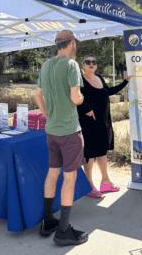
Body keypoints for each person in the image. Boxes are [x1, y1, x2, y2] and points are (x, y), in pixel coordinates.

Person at [35, 29, 89, 246]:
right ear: (72, 43)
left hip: (52, 131)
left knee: (52, 173)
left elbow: (38, 96)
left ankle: (48, 221)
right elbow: (76, 98)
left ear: (57, 44)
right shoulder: (71, 65)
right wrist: (82, 96)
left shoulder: (46, 65)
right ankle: (64, 230)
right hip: (69, 131)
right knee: (70, 178)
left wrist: (48, 114)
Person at [77, 54, 131, 197]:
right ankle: (89, 186)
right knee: (90, 153)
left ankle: (105, 182)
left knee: (102, 151)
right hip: (89, 122)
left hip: (104, 121)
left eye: (93, 62)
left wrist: (125, 82)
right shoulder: (79, 80)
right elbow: (76, 98)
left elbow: (109, 92)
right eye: (87, 62)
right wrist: (86, 108)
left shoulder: (99, 78)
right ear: (82, 65)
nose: (91, 64)